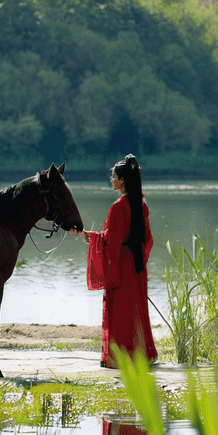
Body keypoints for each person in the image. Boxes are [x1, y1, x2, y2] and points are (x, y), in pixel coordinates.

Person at [70, 154, 158, 368]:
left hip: (121, 264)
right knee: (135, 309)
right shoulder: (140, 203)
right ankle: (140, 356)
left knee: (118, 310)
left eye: (114, 176)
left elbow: (111, 242)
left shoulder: (119, 207)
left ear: (123, 181)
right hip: (136, 264)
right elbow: (147, 238)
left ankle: (118, 358)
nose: (111, 179)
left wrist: (86, 235)